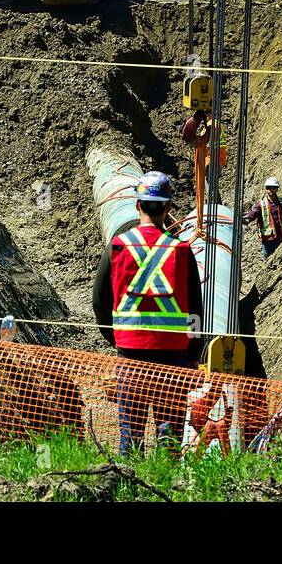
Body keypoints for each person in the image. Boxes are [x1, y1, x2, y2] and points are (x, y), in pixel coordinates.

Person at [91, 170, 203, 454]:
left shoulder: (117, 247)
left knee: (131, 434)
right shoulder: (180, 250)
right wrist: (194, 352)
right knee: (169, 437)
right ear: (167, 208)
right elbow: (195, 311)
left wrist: (116, 338)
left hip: (130, 356)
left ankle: (130, 488)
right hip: (174, 360)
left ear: (137, 206)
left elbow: (98, 302)